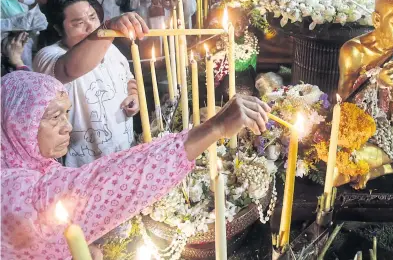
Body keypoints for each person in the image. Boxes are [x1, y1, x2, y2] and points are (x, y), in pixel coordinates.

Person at [1, 70, 270, 259]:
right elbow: (98, 187)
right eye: (53, 117)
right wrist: (213, 128)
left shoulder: (30, 162)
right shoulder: (11, 189)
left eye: (66, 113)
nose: (68, 127)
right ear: (17, 123)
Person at [33, 0, 148, 167]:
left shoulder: (110, 48)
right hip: (83, 167)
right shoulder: (48, 57)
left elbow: (128, 77)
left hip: (124, 156)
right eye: (78, 23)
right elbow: (70, 69)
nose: (90, 27)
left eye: (93, 17)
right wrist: (107, 27)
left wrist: (133, 95)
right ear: (58, 28)